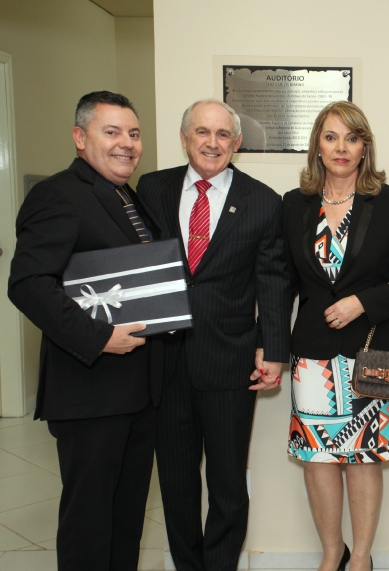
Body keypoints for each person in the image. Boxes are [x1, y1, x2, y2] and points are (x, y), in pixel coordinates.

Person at [136, 99, 292, 571]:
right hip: (163, 360)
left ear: (237, 142)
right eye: (202, 132)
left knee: (227, 482)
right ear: (185, 138)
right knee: (176, 482)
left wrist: (273, 349)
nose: (212, 142)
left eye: (223, 134)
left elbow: (274, 280)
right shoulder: (151, 188)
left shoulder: (263, 200)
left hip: (230, 361)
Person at [7, 91, 160, 571]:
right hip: (90, 392)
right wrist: (99, 337)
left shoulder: (127, 196)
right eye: (111, 132)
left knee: (126, 519)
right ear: (80, 137)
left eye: (133, 134)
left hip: (136, 392)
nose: (126, 144)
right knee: (89, 524)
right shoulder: (58, 194)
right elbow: (28, 284)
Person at [282, 101, 389, 571]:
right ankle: (333, 552)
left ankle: (361, 558)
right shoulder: (294, 204)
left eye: (352, 137)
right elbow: (282, 282)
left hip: (371, 354)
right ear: (317, 147)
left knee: (365, 456)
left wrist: (363, 302)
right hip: (313, 357)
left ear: (365, 147)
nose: (341, 147)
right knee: (317, 456)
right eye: (331, 137)